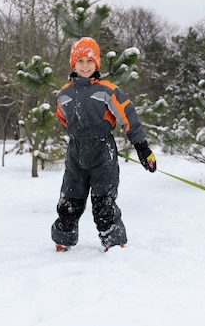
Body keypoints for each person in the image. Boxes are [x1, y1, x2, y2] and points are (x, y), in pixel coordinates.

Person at [51, 36, 157, 252]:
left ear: (96, 63)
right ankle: (63, 238)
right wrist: (80, 136)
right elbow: (63, 119)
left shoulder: (107, 90)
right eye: (80, 61)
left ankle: (114, 241)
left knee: (104, 201)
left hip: (103, 151)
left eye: (90, 61)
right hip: (76, 153)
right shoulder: (63, 95)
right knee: (70, 199)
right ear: (73, 64)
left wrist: (142, 148)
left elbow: (128, 116)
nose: (85, 66)